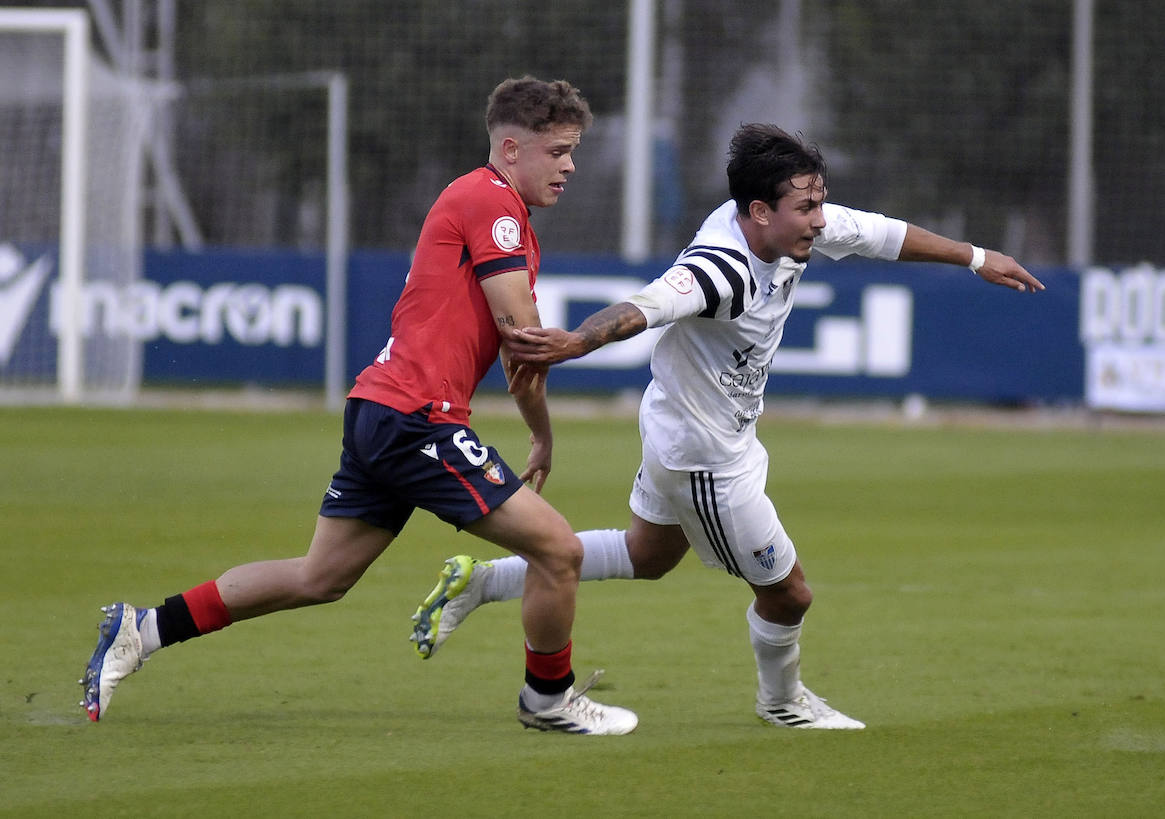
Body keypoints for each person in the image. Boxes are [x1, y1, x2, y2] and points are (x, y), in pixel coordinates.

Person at [408, 123, 1044, 729]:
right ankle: (783, 701)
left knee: (647, 556)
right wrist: (576, 342)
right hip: (704, 457)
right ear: (759, 211)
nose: (820, 219)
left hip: (683, 425)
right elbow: (652, 304)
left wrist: (978, 257)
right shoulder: (723, 268)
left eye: (819, 204)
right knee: (790, 594)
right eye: (807, 208)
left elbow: (881, 235)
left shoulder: (795, 221)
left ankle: (482, 580)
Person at [79, 77, 638, 736]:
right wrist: (556, 400)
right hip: (416, 418)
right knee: (558, 550)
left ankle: (143, 628)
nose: (571, 165)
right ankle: (548, 698)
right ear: (512, 149)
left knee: (322, 575)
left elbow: (518, 353)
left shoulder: (489, 207)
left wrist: (537, 430)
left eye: (573, 151)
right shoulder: (495, 203)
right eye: (559, 151)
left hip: (380, 408)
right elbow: (525, 338)